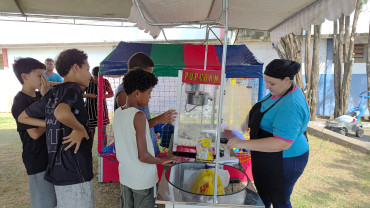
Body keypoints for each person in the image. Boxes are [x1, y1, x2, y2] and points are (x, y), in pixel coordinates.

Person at [227, 59, 310, 208]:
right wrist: (248, 121)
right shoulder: (280, 90)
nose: (267, 86)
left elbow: (282, 143)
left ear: (286, 80)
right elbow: (265, 107)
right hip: (268, 156)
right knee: (264, 196)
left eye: (271, 83)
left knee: (279, 200)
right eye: (266, 82)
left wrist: (242, 143)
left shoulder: (290, 105)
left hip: (286, 160)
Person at [18, 49, 94, 208]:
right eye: (87, 69)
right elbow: (61, 112)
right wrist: (80, 129)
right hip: (76, 172)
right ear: (75, 68)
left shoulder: (53, 93)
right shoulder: (73, 88)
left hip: (59, 173)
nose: (90, 75)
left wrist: (51, 122)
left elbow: (23, 117)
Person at [113, 69, 177, 208]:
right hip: (143, 180)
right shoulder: (139, 116)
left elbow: (133, 130)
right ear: (137, 93)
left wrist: (160, 119)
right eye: (149, 93)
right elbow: (143, 156)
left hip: (125, 176)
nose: (150, 97)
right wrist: (163, 160)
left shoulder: (118, 113)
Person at [11, 58, 57, 208]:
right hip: (36, 160)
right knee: (44, 202)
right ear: (24, 76)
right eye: (39, 75)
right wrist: (53, 119)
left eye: (44, 75)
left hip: (49, 155)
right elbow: (35, 134)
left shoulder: (38, 96)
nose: (44, 79)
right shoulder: (20, 102)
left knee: (54, 200)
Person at [114, 52, 177, 155]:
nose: (150, 76)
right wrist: (159, 119)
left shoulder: (140, 90)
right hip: (137, 154)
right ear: (136, 72)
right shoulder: (123, 93)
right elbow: (130, 127)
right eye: (148, 73)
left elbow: (142, 120)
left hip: (148, 146)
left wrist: (163, 119)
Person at [84, 66, 113, 143]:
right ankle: (89, 152)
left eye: (99, 77)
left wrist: (104, 96)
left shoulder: (105, 82)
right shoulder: (87, 81)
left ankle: (103, 151)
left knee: (103, 132)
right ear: (92, 75)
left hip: (102, 111)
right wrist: (89, 95)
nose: (97, 79)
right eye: (95, 77)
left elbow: (111, 94)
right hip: (90, 111)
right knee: (91, 132)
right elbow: (80, 94)